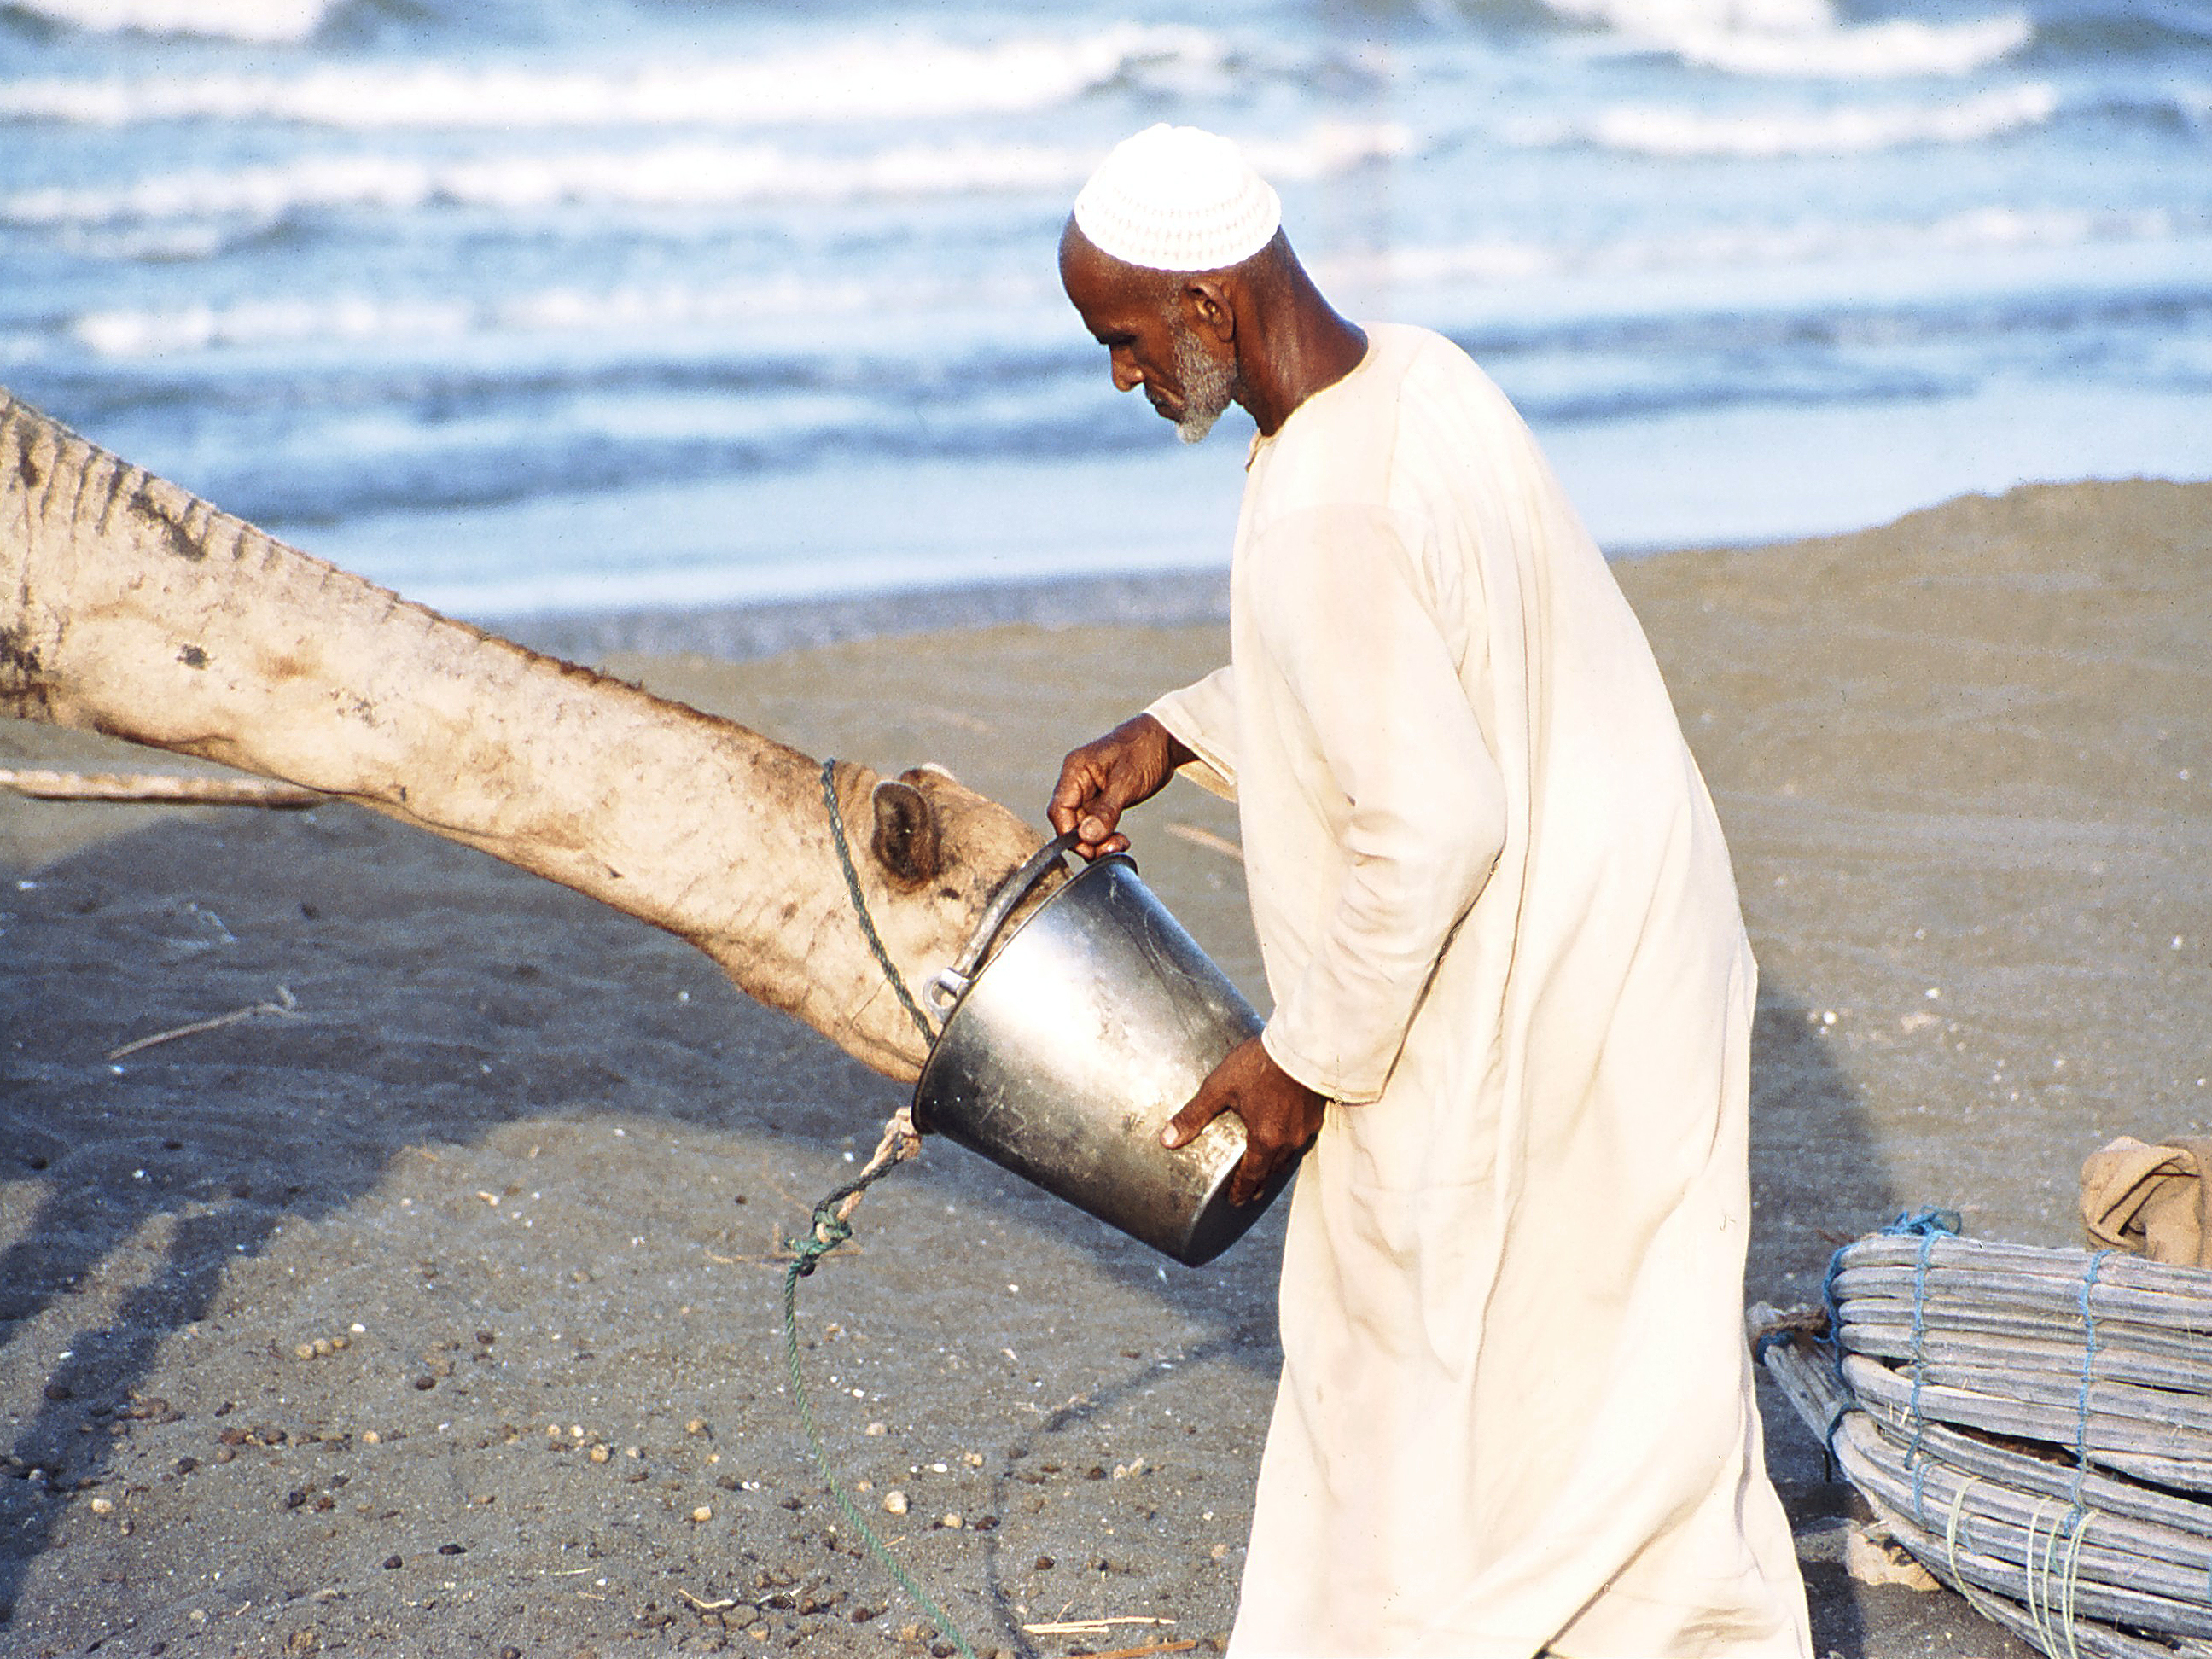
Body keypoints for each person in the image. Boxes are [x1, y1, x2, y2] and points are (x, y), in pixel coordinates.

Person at [1046, 125, 1813, 1658]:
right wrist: (1172, 733)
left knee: (1397, 1375)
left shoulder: (1322, 509)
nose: (1123, 379)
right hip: (1640, 945)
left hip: (1540, 976)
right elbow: (1413, 673)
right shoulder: (1419, 376)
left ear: (1206, 306)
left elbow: (1433, 815)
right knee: (1622, 1382)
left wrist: (1304, 1058)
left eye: (1123, 340)